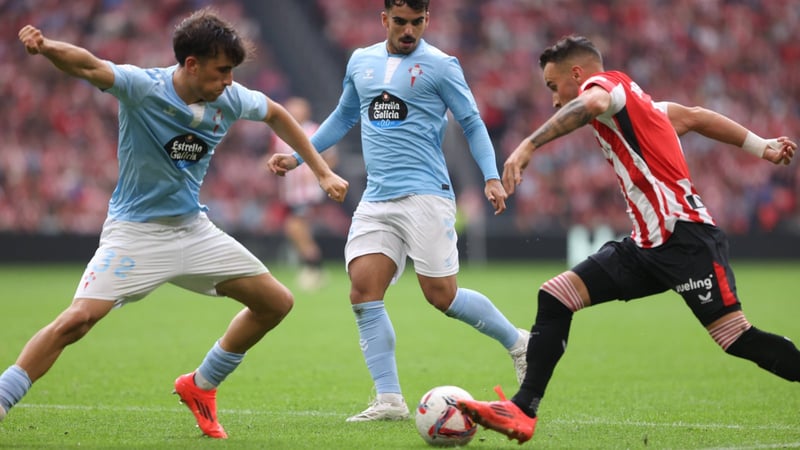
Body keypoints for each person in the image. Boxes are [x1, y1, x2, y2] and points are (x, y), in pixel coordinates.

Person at [1, 8, 348, 439]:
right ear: (192, 64)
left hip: (192, 230)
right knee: (77, 321)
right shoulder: (143, 87)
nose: (229, 82)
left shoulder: (230, 98)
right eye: (222, 71)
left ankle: (201, 384)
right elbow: (89, 65)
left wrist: (320, 170)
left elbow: (277, 113)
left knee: (276, 303)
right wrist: (46, 46)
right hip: (136, 234)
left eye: (232, 72)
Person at [455, 35, 800, 444]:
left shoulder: (606, 87)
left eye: (553, 86)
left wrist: (528, 145)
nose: (553, 100)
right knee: (556, 296)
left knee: (735, 337)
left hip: (685, 239)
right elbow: (694, 117)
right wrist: (763, 147)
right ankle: (522, 410)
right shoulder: (641, 106)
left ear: (577, 75)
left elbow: (593, 102)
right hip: (645, 246)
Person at [268, 0, 528, 422]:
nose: (409, 31)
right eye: (401, 22)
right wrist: (299, 157)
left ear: (427, 20)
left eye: (417, 22)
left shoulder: (442, 66)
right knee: (363, 291)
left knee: (441, 296)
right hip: (377, 198)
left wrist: (491, 176)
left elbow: (472, 122)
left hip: (426, 195)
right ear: (384, 19)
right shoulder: (361, 61)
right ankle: (389, 400)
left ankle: (519, 343)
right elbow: (342, 117)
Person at [268, 97, 339, 291]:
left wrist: (321, 175)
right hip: (289, 193)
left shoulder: (315, 130)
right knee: (297, 231)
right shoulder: (278, 133)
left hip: (309, 192)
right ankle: (312, 267)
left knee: (295, 227)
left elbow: (331, 157)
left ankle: (313, 268)